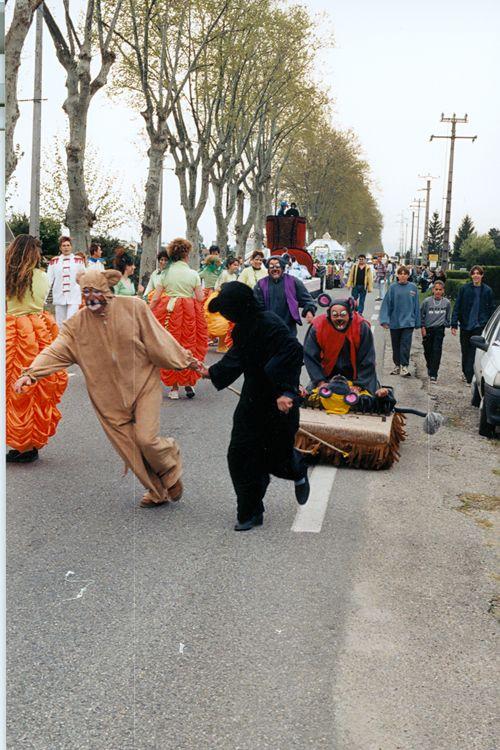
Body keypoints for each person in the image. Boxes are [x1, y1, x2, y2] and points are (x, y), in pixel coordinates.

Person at [13, 268, 200, 506]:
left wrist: (188, 361)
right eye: (86, 292)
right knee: (130, 449)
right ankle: (156, 491)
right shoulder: (76, 325)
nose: (91, 297)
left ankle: (169, 470)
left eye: (95, 291)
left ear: (107, 291)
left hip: (143, 385)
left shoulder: (134, 307)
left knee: (146, 439)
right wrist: (31, 374)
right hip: (107, 398)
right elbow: (55, 350)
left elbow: (160, 340)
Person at [198, 282, 310, 531]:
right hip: (252, 400)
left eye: (226, 310)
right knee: (240, 455)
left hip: (279, 403)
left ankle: (298, 467)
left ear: (239, 307)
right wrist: (208, 372)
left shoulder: (270, 323)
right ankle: (250, 512)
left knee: (275, 458)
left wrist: (286, 391)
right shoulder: (240, 330)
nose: (225, 316)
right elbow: (237, 359)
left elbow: (293, 351)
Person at [6, 235, 68, 464]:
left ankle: (19, 443)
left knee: (14, 390)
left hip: (13, 330)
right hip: (38, 331)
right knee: (38, 388)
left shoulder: (7, 277)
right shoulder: (42, 277)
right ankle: (30, 444)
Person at [150, 237, 208, 399]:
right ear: (186, 254)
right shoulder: (193, 274)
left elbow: (155, 297)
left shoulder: (165, 273)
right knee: (190, 345)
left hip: (169, 311)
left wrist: (148, 311)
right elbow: (199, 297)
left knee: (171, 347)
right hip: (189, 312)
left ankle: (174, 388)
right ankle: (188, 383)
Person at [304, 297, 388, 397]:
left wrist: (359, 385)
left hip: (358, 376)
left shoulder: (361, 327)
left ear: (349, 314)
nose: (339, 318)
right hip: (327, 375)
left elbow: (368, 359)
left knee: (369, 401)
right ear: (329, 315)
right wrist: (320, 382)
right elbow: (310, 357)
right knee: (309, 398)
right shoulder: (318, 327)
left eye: (343, 315)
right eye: (335, 315)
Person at [451, 265, 496, 383]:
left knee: (474, 351)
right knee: (465, 350)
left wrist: (489, 325)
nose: (476, 275)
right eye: (474, 273)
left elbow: (491, 308)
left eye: (478, 273)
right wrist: (454, 323)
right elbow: (457, 306)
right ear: (471, 275)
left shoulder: (487, 290)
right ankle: (465, 372)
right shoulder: (464, 289)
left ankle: (469, 376)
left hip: (479, 325)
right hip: (466, 325)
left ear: (482, 276)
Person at [254, 255, 316, 336]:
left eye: (277, 266)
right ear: (268, 269)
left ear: (283, 268)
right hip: (267, 329)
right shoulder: (261, 284)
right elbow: (255, 305)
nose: (274, 269)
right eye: (271, 267)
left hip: (288, 329)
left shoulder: (293, 281)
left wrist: (309, 311)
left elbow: (307, 300)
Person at [379, 265, 421, 377]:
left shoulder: (413, 288)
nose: (403, 276)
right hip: (395, 321)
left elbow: (416, 305)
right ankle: (397, 365)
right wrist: (384, 320)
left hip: (408, 322)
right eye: (400, 273)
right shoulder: (393, 288)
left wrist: (418, 321)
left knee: (406, 345)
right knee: (396, 344)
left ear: (408, 275)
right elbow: (387, 304)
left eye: (405, 274)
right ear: (397, 275)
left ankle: (404, 366)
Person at [47, 235, 85, 327]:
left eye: (68, 245)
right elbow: (49, 280)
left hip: (74, 296)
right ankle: (62, 341)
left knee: (71, 321)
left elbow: (83, 277)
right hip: (59, 296)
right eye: (64, 245)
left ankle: (72, 341)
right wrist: (43, 297)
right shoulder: (54, 261)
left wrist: (85, 292)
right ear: (60, 247)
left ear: (71, 247)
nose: (66, 247)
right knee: (60, 323)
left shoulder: (79, 260)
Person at [420, 280, 452, 382]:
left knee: (436, 351)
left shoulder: (447, 302)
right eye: (436, 289)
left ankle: (434, 373)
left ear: (443, 291)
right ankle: (429, 365)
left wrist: (445, 324)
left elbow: (448, 317)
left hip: (439, 330)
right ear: (433, 290)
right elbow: (421, 315)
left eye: (440, 290)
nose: (438, 291)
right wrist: (422, 327)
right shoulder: (426, 301)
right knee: (428, 350)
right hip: (428, 329)